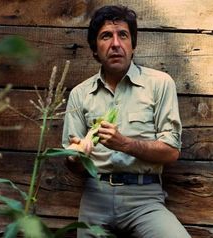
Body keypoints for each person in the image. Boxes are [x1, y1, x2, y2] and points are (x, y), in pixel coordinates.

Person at [62, 5, 191, 238]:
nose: (115, 44)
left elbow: (171, 152)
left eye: (123, 35)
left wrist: (124, 144)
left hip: (144, 200)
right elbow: (73, 163)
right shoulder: (79, 94)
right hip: (95, 197)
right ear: (94, 49)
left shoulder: (160, 84)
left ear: (133, 45)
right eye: (105, 36)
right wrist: (76, 156)